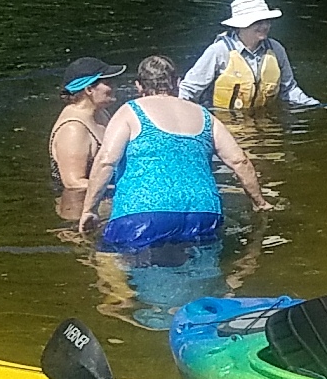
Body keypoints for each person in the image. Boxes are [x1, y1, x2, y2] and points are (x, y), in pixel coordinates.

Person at [77, 56, 273, 251]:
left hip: (143, 213)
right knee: (203, 268)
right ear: (178, 83)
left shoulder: (130, 111)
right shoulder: (205, 115)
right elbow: (240, 162)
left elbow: (106, 162)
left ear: (138, 87)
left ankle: (117, 282)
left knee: (107, 259)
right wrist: (260, 203)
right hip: (204, 212)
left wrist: (89, 210)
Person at [179, 0, 327, 111]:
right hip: (222, 123)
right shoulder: (218, 51)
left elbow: (289, 89)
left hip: (263, 121)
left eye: (267, 21)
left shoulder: (276, 49)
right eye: (258, 22)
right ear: (241, 25)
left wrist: (319, 106)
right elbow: (189, 89)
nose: (265, 26)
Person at [50, 57, 124, 223]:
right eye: (108, 82)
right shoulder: (74, 129)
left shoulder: (100, 113)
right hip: (79, 215)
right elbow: (73, 183)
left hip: (103, 204)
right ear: (89, 89)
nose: (115, 87)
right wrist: (125, 186)